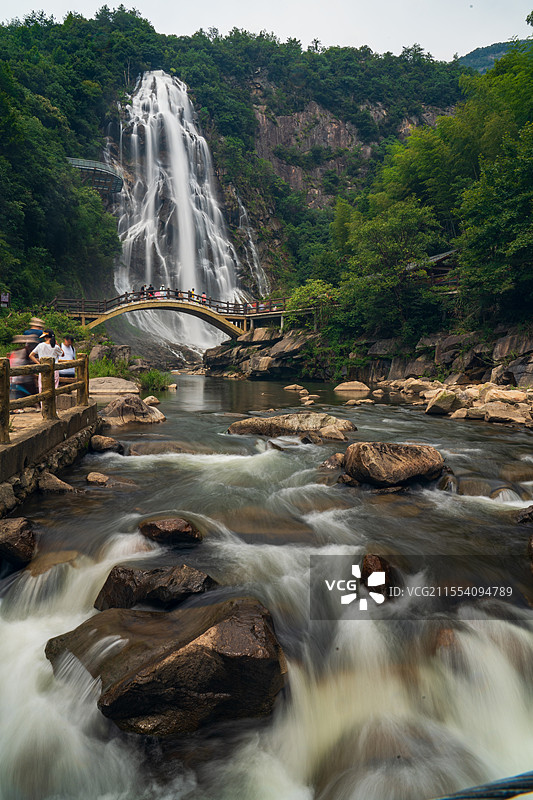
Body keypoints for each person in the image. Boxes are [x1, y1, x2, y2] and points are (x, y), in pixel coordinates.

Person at [9, 335, 38, 401]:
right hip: (24, 378)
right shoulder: (25, 351)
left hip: (15, 378)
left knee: (16, 393)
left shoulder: (14, 352)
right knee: (32, 392)